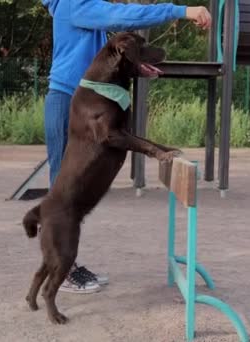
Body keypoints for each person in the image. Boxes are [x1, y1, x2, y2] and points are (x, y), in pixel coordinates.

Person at [40, 0, 211, 294]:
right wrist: (183, 11)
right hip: (68, 99)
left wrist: (137, 65)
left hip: (83, 99)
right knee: (63, 192)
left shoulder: (78, 8)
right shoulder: (74, 5)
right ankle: (62, 270)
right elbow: (126, 15)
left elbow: (113, 52)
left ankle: (67, 265)